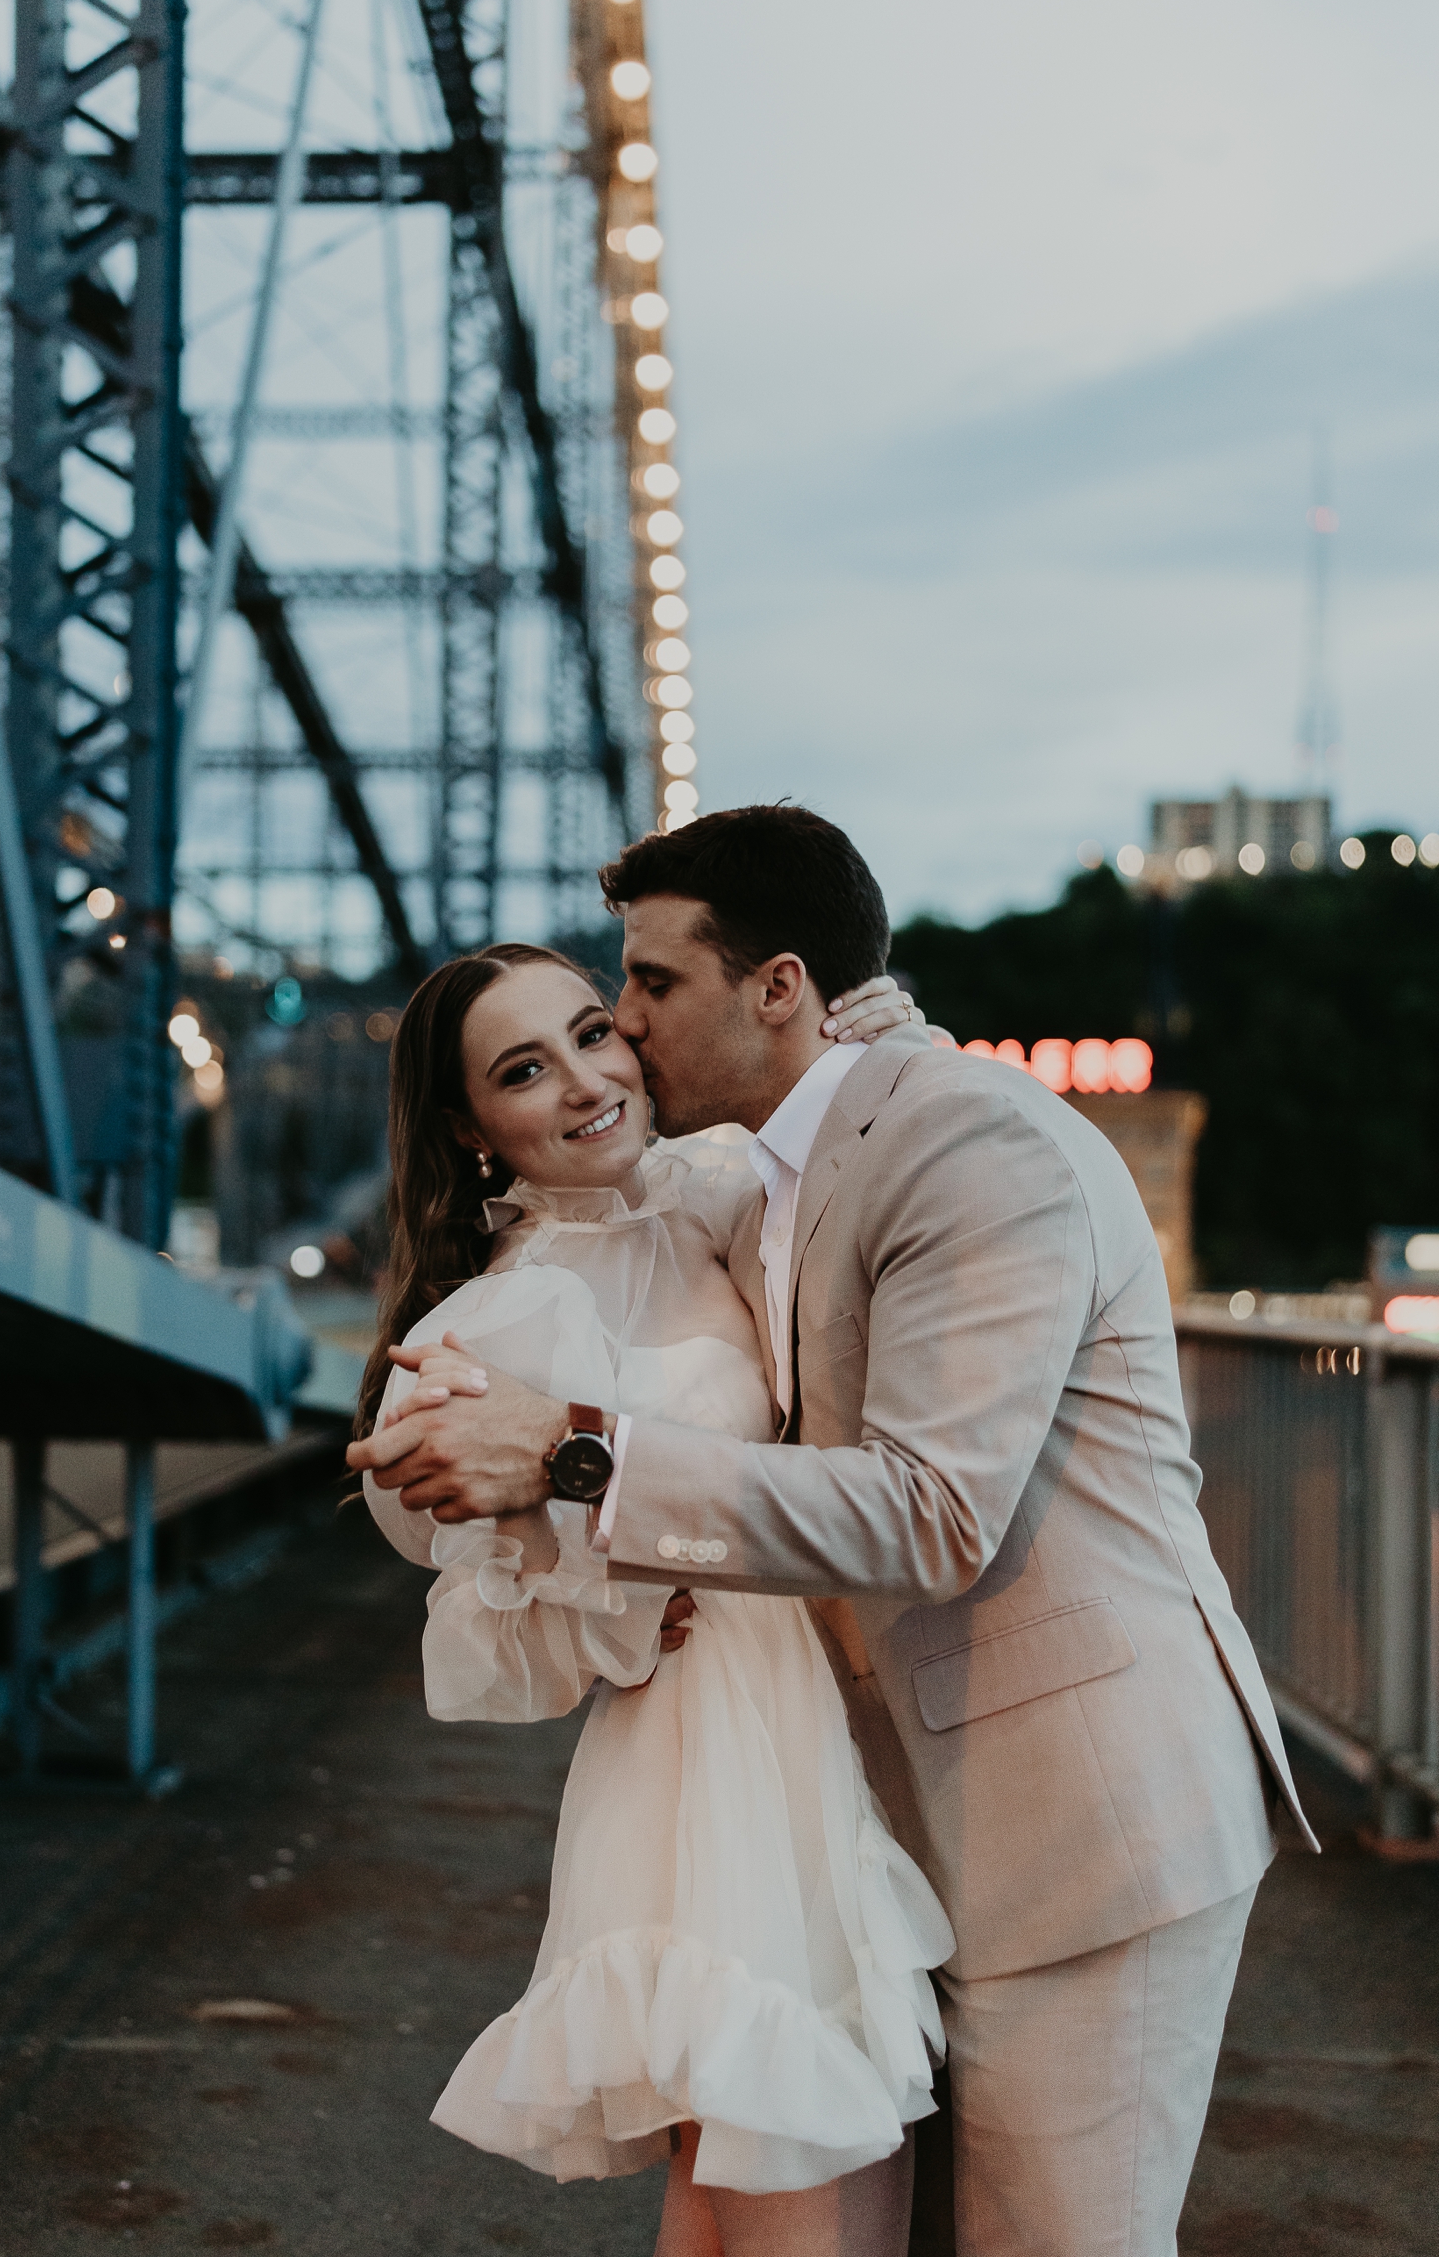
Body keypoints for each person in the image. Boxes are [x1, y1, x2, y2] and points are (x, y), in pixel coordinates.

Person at [354, 804, 1319, 2257]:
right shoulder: (760, 1182)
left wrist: (573, 1453)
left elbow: (930, 1510)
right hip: (881, 1813)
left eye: (649, 988)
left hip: (1075, 1820)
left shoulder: (969, 1143)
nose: (622, 1026)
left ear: (779, 987)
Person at [357, 941, 955, 2256]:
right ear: (471, 1130)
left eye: (593, 1033)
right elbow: (479, 1617)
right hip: (709, 1755)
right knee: (781, 2153)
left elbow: (872, 1169)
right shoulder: (503, 1323)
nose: (584, 1080)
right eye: (526, 1069)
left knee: (750, 2172)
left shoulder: (722, 1186)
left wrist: (894, 1043)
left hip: (818, 1712)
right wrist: (609, 1608)